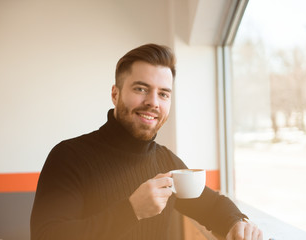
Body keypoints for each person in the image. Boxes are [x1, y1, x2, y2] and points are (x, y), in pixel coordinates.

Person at [30, 43, 263, 240]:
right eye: (141, 89)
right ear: (115, 94)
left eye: (163, 94)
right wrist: (131, 211)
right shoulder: (69, 157)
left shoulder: (166, 162)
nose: (153, 102)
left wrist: (238, 223)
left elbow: (211, 205)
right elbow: (47, 235)